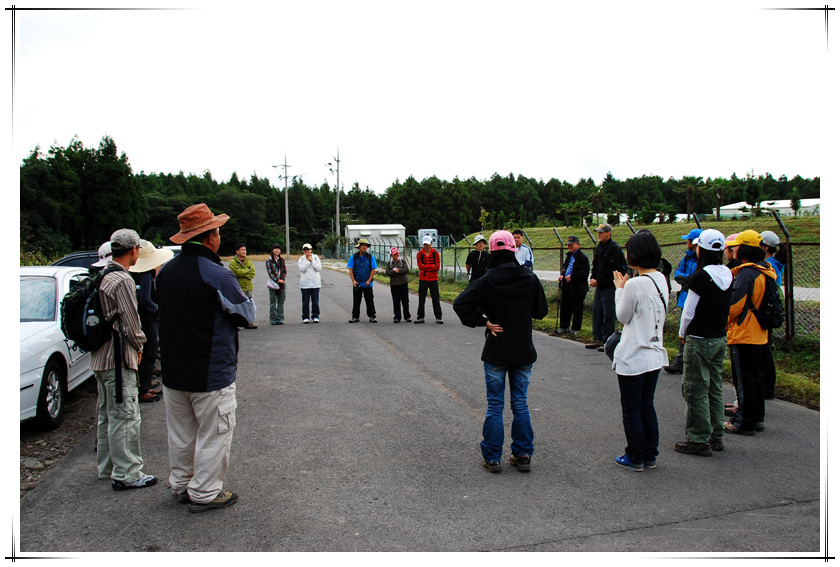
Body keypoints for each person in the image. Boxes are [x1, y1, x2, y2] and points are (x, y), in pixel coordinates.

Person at [157, 203, 256, 512]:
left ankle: (183, 484)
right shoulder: (217, 274)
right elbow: (246, 312)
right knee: (214, 433)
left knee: (182, 434)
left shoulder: (166, 272)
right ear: (211, 236)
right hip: (210, 372)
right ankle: (205, 492)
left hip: (173, 371)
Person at [453, 230, 548, 473]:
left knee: (495, 405)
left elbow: (460, 303)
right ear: (513, 250)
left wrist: (483, 320)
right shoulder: (529, 277)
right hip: (523, 349)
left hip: (496, 349)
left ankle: (493, 457)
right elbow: (541, 311)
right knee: (520, 403)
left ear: (492, 251)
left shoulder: (487, 280)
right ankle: (523, 454)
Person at [90, 229, 157, 491]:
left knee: (107, 414)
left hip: (100, 356)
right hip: (118, 358)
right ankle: (127, 473)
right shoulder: (123, 280)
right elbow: (131, 322)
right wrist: (140, 345)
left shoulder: (101, 275)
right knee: (126, 416)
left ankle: (107, 467)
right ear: (134, 250)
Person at [611, 230, 669, 471]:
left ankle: (635, 455)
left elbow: (622, 316)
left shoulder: (634, 283)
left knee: (632, 408)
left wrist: (620, 289)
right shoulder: (661, 279)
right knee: (647, 405)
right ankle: (650, 453)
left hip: (634, 355)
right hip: (655, 353)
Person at [673, 229, 733, 457]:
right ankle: (716, 433)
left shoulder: (701, 277)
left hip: (699, 338)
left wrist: (682, 333)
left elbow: (689, 311)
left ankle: (698, 438)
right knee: (714, 386)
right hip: (719, 337)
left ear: (702, 249)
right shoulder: (728, 275)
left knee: (695, 388)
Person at [725, 230, 777, 436]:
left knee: (743, 377)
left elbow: (735, 305)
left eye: (736, 246)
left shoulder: (746, 272)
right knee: (755, 376)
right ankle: (756, 417)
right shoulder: (765, 270)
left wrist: (724, 318)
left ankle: (742, 421)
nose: (733, 249)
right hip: (759, 331)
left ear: (744, 248)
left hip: (745, 330)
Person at [129, 240, 174, 403]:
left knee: (144, 354)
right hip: (148, 320)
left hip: (139, 318)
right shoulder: (146, 274)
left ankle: (143, 385)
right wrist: (159, 310)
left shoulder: (134, 273)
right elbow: (146, 299)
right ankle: (144, 389)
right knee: (149, 353)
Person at [664, 228, 702, 373]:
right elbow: (678, 274)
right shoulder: (686, 258)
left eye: (688, 239)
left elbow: (697, 279)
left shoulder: (701, 259)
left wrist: (688, 280)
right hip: (684, 297)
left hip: (694, 299)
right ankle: (681, 360)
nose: (686, 242)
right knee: (683, 330)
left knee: (692, 331)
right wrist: (689, 280)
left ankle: (685, 361)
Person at [586, 224, 626, 350]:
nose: (599, 234)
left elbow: (613, 269)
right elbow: (596, 264)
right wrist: (593, 277)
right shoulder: (599, 248)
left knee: (608, 313)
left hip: (609, 286)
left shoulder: (614, 248)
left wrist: (600, 281)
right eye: (598, 232)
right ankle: (598, 338)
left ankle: (608, 340)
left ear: (608, 233)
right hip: (599, 285)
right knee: (597, 311)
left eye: (602, 232)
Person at [759, 231, 784, 400]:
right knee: (764, 349)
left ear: (765, 247)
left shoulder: (769, 265)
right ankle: (766, 386)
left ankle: (767, 387)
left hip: (766, 311)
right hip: (770, 310)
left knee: (764, 350)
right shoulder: (774, 263)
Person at [557, 235, 589, 336]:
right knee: (565, 306)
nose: (569, 247)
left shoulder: (583, 258)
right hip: (567, 286)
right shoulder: (568, 256)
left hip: (578, 287)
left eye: (572, 245)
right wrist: (563, 275)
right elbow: (565, 268)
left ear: (577, 244)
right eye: (568, 245)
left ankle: (575, 328)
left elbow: (584, 273)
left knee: (577, 308)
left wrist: (573, 277)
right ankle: (564, 326)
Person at [347, 238, 378, 323]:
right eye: (362, 246)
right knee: (356, 301)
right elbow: (350, 269)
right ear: (359, 247)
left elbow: (373, 269)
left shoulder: (370, 257)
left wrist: (369, 280)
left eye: (365, 246)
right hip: (357, 283)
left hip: (367, 283)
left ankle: (372, 316)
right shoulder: (353, 257)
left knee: (370, 301)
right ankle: (355, 317)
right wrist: (353, 281)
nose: (364, 247)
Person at [415, 235, 443, 324]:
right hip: (423, 278)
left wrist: (426, 267)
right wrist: (431, 266)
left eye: (428, 244)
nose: (426, 246)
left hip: (433, 279)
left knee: (435, 298)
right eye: (425, 244)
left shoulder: (436, 254)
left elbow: (437, 267)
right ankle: (420, 316)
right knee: (421, 298)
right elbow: (420, 266)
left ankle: (438, 317)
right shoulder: (419, 254)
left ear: (431, 243)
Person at [229, 243, 258, 329]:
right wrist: (246, 271)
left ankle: (249, 322)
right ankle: (236, 323)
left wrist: (243, 272)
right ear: (237, 251)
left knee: (249, 305)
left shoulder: (248, 261)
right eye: (242, 250)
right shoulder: (233, 262)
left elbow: (252, 273)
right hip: (238, 286)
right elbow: (236, 272)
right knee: (237, 306)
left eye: (245, 250)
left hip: (248, 287)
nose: (244, 251)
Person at [385, 246, 411, 323]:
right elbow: (387, 272)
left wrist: (398, 270)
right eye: (394, 254)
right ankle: (397, 317)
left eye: (397, 254)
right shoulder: (389, 263)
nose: (396, 255)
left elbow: (406, 270)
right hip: (394, 285)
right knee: (396, 301)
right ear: (391, 255)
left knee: (405, 300)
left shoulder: (403, 261)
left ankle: (407, 316)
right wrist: (393, 271)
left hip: (403, 284)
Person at [298, 243, 322, 323]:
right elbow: (302, 269)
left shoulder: (316, 257)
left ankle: (315, 316)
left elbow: (319, 268)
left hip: (315, 283)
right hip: (305, 284)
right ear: (303, 251)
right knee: (305, 302)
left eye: (308, 249)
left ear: (311, 250)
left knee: (315, 301)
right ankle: (305, 317)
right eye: (305, 250)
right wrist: (308, 262)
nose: (307, 251)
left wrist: (312, 261)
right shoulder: (301, 259)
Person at [266, 243, 287, 325]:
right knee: (273, 301)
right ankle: (273, 319)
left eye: (278, 249)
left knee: (281, 301)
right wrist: (277, 280)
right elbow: (270, 272)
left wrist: (282, 279)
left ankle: (280, 318)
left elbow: (284, 270)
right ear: (272, 250)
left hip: (282, 283)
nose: (277, 250)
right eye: (275, 249)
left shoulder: (282, 260)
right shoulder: (269, 261)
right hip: (273, 283)